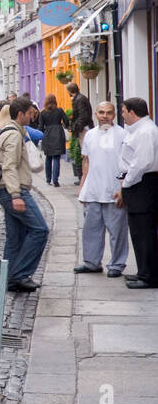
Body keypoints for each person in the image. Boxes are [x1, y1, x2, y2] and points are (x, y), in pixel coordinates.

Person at [0, 98, 50, 293]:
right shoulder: (14, 135)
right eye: (29, 113)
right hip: (13, 190)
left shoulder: (12, 131)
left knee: (15, 238)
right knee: (40, 230)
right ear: (20, 114)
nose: (32, 116)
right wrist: (16, 195)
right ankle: (20, 274)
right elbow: (9, 166)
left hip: (7, 190)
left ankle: (9, 280)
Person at [75, 101, 129, 278]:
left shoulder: (123, 134)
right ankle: (91, 262)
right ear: (95, 114)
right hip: (93, 190)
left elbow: (128, 164)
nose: (104, 116)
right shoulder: (89, 135)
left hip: (114, 190)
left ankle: (117, 264)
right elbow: (87, 162)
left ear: (114, 115)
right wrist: (83, 186)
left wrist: (123, 189)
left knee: (117, 231)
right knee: (91, 230)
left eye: (109, 112)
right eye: (101, 112)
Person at [115, 97, 158, 289]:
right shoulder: (140, 130)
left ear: (132, 112)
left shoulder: (146, 131)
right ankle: (143, 271)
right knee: (138, 231)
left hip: (142, 184)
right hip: (138, 182)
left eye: (123, 111)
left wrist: (127, 183)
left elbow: (142, 162)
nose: (122, 114)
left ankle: (149, 276)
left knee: (144, 231)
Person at [37, 95, 68, 187]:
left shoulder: (42, 113)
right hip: (58, 134)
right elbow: (66, 121)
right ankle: (55, 180)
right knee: (57, 158)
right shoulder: (59, 111)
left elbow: (41, 127)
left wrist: (41, 135)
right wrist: (63, 125)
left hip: (47, 135)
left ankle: (48, 179)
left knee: (48, 157)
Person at [67, 82, 94, 185]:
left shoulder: (79, 99)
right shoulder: (79, 98)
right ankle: (85, 176)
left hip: (84, 129)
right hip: (82, 128)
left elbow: (83, 115)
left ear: (70, 91)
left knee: (85, 153)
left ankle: (86, 176)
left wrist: (77, 127)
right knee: (84, 153)